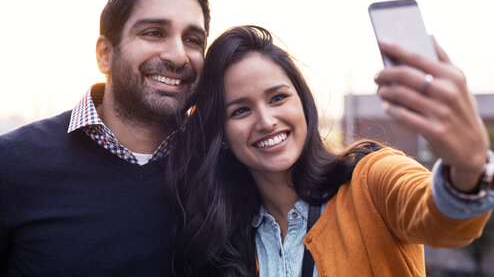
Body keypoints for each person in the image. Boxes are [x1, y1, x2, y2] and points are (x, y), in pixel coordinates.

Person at [167, 25, 493, 276]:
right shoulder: (223, 237)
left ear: (303, 104)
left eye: (278, 97)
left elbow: (442, 222)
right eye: (240, 111)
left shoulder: (372, 179)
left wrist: (465, 167)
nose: (266, 121)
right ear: (221, 135)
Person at [0, 0, 210, 276]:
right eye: (154, 32)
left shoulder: (219, 169)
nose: (178, 55)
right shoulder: (12, 163)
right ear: (104, 54)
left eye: (193, 40)